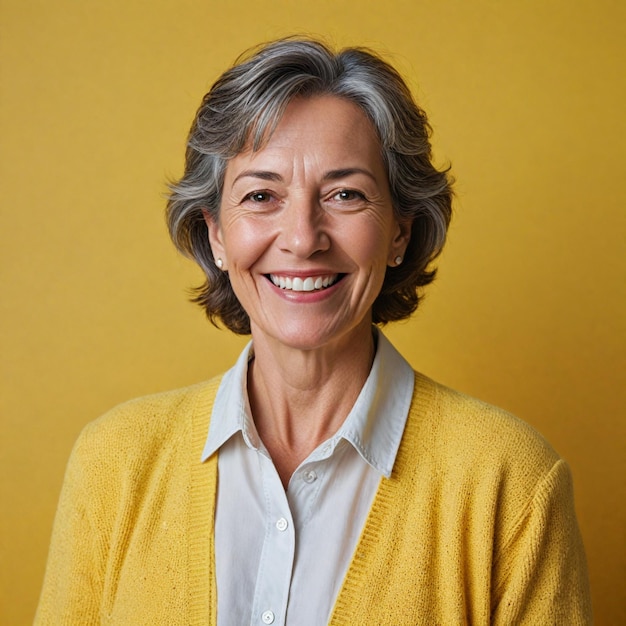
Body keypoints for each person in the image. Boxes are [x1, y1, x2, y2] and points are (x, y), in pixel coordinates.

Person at [35, 38, 592, 625]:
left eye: (345, 194)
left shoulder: (513, 483)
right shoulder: (115, 462)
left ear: (400, 231)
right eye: (261, 196)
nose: (303, 238)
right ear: (217, 234)